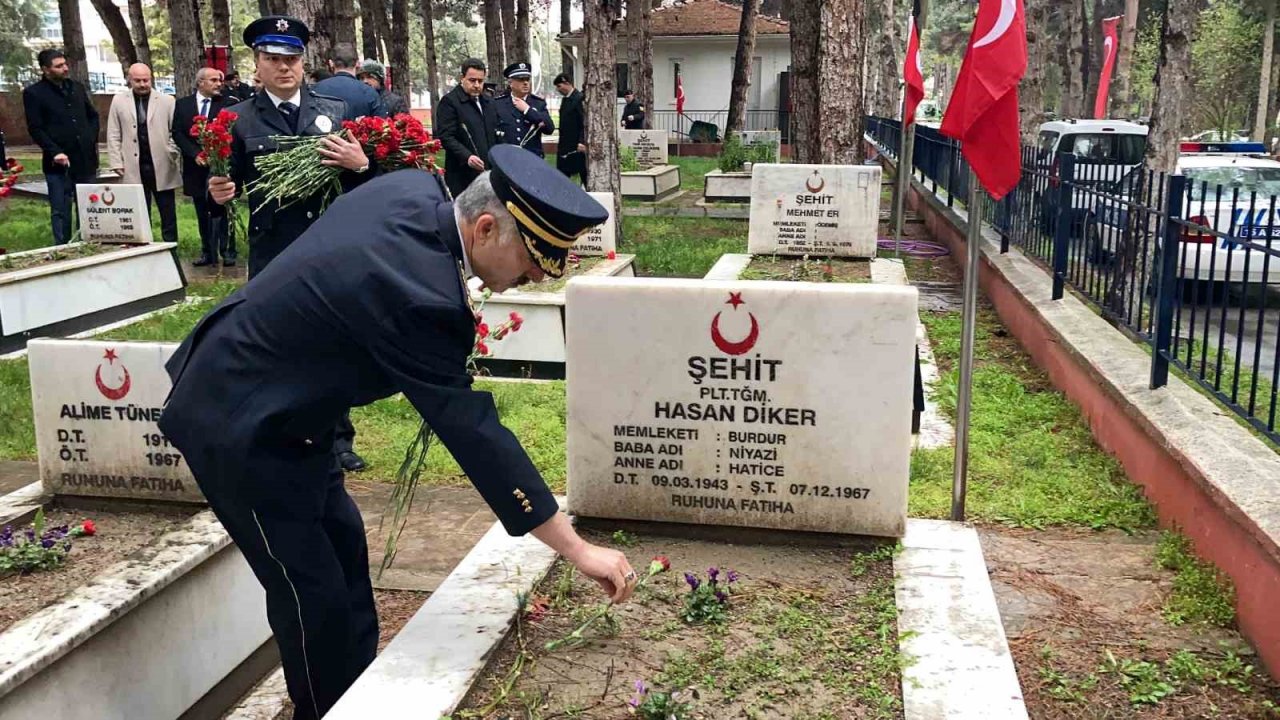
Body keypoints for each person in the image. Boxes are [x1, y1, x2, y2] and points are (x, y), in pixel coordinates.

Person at [159, 147, 633, 720]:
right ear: (485, 227)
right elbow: (474, 434)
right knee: (310, 592)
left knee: (344, 551)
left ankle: (357, 695)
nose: (535, 277)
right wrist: (578, 550)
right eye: (535, 260)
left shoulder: (414, 191)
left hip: (294, 416)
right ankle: (326, 710)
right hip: (238, 426)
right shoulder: (419, 293)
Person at [208, 15, 377, 472]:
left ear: (304, 62)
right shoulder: (237, 120)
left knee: (333, 342)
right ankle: (279, 429)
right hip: (273, 251)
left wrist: (361, 164)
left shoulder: (335, 111)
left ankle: (337, 437)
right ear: (257, 65)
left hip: (327, 248)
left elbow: (366, 184)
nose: (284, 68)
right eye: (273, 59)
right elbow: (225, 186)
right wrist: (218, 194)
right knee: (274, 342)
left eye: (292, 59)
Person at [22, 48, 100, 245]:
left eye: (65, 64)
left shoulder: (77, 88)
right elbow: (36, 128)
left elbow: (92, 116)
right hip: (58, 164)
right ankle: (63, 247)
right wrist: (55, 151)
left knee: (88, 207)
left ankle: (87, 243)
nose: (65, 69)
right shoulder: (34, 94)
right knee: (61, 209)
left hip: (85, 159)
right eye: (59, 66)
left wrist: (90, 138)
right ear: (46, 69)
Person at [107, 63, 182, 244]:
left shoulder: (167, 101)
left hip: (161, 163)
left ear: (151, 78)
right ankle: (142, 244)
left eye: (146, 80)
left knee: (167, 210)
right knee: (139, 209)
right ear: (129, 80)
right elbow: (113, 132)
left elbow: (176, 131)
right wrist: (116, 161)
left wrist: (171, 151)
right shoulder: (118, 101)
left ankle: (170, 245)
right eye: (138, 80)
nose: (142, 84)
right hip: (133, 164)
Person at [173, 67, 236, 266]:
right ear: (200, 82)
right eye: (214, 80)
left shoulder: (228, 104)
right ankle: (207, 252)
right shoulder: (182, 105)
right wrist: (195, 154)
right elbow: (178, 133)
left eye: (220, 80)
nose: (219, 84)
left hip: (220, 166)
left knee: (223, 209)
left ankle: (227, 251)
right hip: (196, 168)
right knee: (202, 211)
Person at [435, 57, 497, 198]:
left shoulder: (489, 102)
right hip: (462, 175)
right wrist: (467, 156)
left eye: (480, 81)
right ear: (462, 78)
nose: (477, 85)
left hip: (489, 173)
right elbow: (446, 137)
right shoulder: (450, 102)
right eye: (472, 80)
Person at [493, 62, 554, 158]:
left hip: (532, 158)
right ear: (510, 83)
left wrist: (528, 110)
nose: (525, 83)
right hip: (507, 158)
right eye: (521, 79)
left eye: (527, 79)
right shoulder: (498, 104)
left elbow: (549, 129)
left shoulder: (538, 103)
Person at [313, 48, 384, 120]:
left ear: (331, 63)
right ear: (357, 64)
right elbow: (380, 126)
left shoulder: (314, 90)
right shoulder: (370, 93)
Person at [553, 73, 586, 185]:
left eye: (559, 86)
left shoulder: (579, 98)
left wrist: (582, 141)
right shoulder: (565, 100)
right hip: (564, 144)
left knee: (583, 173)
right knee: (562, 175)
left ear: (567, 83)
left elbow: (583, 122)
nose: (558, 89)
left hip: (576, 144)